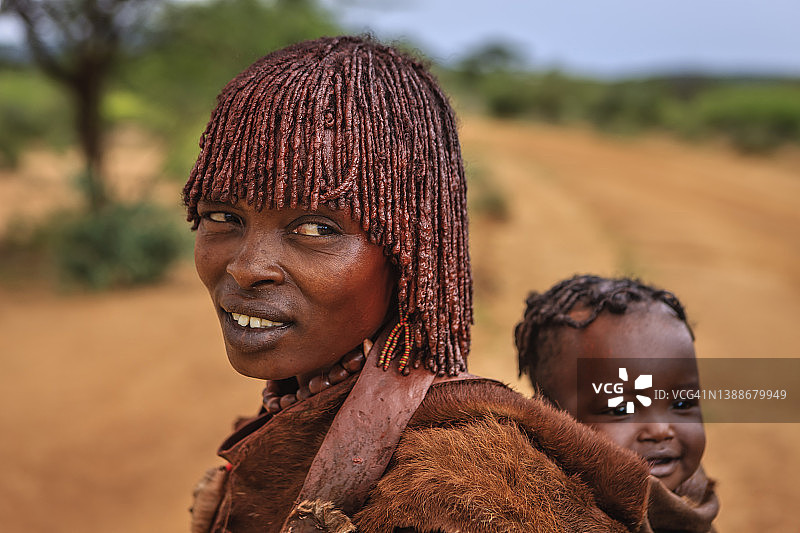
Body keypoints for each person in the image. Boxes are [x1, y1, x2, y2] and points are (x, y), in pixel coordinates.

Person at [185, 36, 651, 533]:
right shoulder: (301, 416)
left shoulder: (459, 495)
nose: (246, 267)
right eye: (221, 216)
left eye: (317, 228)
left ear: (411, 251)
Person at [515, 274, 720, 533]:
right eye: (621, 409)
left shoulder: (692, 500)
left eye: (681, 404)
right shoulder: (535, 520)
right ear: (550, 421)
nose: (660, 430)